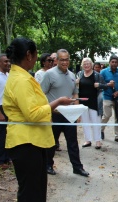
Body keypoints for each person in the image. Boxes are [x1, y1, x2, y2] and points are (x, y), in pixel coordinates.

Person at [3, 37, 73, 202]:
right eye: (35, 55)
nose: (36, 59)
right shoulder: (20, 80)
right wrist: (57, 102)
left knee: (39, 190)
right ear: (28, 55)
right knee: (29, 195)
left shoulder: (24, 76)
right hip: (25, 143)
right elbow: (32, 114)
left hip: (36, 142)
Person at [41, 49, 89, 177]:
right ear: (56, 60)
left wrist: (77, 111)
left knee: (72, 142)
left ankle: (77, 167)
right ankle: (48, 165)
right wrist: (48, 110)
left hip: (69, 115)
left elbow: (75, 93)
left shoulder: (72, 75)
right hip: (54, 114)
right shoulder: (49, 74)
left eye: (67, 59)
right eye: (62, 59)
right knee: (51, 142)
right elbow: (41, 94)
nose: (65, 62)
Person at [76, 57, 114, 149]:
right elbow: (75, 88)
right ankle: (87, 140)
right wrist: (76, 83)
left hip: (94, 102)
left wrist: (99, 85)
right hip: (82, 102)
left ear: (92, 65)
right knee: (85, 122)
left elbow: (105, 86)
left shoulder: (97, 75)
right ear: (82, 65)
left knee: (96, 122)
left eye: (88, 63)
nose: (86, 65)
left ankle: (98, 141)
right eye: (84, 64)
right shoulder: (79, 74)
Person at [100, 55, 118, 143]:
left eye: (116, 62)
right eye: (113, 62)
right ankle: (101, 130)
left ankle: (117, 136)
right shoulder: (103, 72)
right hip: (107, 97)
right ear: (109, 62)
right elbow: (99, 85)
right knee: (107, 115)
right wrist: (108, 85)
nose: (114, 64)